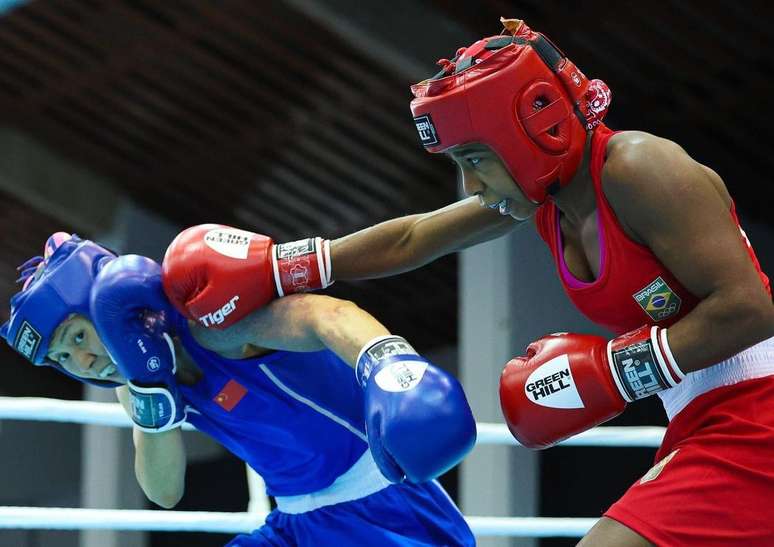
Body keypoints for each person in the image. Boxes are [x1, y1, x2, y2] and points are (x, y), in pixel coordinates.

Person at [176, 17, 774, 547]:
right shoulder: (547, 196)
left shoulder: (642, 168)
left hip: (757, 414)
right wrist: (289, 264)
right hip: (705, 419)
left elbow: (751, 306)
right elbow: (416, 238)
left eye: (474, 160)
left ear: (533, 132)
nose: (471, 186)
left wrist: (619, 369)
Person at [2, 232, 476, 547]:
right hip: (295, 524)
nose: (81, 360)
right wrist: (151, 396)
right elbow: (164, 491)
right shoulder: (141, 388)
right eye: (63, 358)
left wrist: (388, 363)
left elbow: (324, 316)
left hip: (381, 507)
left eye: (79, 336)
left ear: (108, 305)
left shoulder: (212, 325)